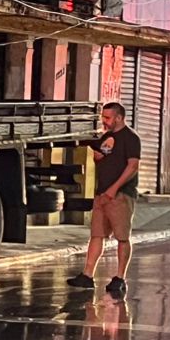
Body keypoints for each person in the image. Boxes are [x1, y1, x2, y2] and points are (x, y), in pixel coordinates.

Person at [67, 101, 141, 299]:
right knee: (96, 234)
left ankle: (120, 278)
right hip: (102, 194)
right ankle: (87, 275)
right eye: (103, 117)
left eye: (108, 118)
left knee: (122, 236)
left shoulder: (131, 138)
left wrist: (114, 189)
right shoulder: (106, 137)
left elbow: (133, 166)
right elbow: (101, 157)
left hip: (121, 195)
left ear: (119, 118)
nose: (104, 121)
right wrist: (97, 154)